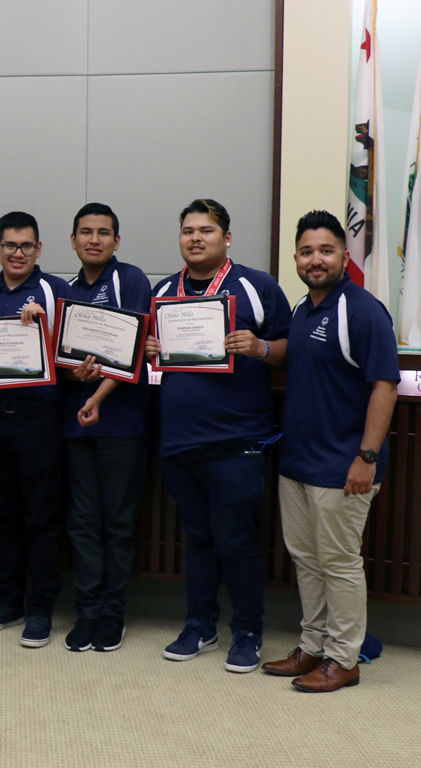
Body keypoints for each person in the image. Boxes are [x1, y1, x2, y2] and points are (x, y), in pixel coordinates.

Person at [145, 198, 291, 674]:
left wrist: (260, 346)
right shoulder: (164, 291)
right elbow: (150, 360)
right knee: (198, 538)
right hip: (180, 439)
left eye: (206, 230)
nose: (196, 238)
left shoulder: (256, 286)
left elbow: (291, 348)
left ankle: (247, 631)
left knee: (238, 540)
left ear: (226, 238)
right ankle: (199, 625)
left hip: (237, 439)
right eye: (188, 230)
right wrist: (149, 349)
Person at [260, 211, 398, 692]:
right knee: (307, 560)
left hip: (343, 466)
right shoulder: (304, 307)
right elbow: (296, 355)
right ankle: (313, 647)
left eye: (325, 250)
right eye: (306, 251)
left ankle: (343, 659)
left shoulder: (363, 311)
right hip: (298, 462)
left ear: (343, 255)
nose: (315, 260)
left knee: (338, 564)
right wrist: (259, 349)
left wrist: (367, 457)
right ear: (296, 257)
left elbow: (385, 386)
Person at [0, 211, 74, 647]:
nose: (18, 253)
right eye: (10, 245)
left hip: (39, 419)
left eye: (26, 246)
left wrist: (46, 328)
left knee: (42, 517)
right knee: (4, 515)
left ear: (39, 249)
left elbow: (74, 355)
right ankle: (8, 600)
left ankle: (41, 608)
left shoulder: (55, 291)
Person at [61, 203, 153, 653]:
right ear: (73, 240)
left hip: (121, 424)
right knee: (82, 522)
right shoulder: (67, 290)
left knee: (117, 523)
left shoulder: (130, 279)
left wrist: (96, 397)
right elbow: (62, 358)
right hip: (78, 426)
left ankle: (113, 613)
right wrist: (74, 376)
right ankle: (87, 612)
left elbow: (133, 349)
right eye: (86, 232)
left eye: (103, 233)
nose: (93, 240)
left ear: (117, 241)